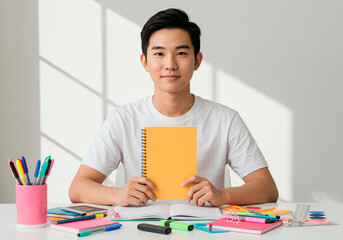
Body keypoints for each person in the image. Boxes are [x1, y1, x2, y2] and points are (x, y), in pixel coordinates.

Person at [69, 8, 278, 207]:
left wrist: (223, 195)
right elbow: (78, 188)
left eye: (181, 53)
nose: (170, 64)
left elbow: (267, 188)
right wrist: (118, 194)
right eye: (159, 54)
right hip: (138, 229)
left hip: (206, 230)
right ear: (145, 62)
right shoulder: (123, 119)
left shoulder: (225, 120)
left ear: (197, 61)